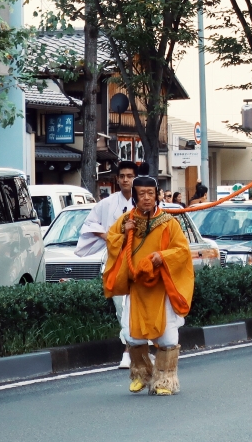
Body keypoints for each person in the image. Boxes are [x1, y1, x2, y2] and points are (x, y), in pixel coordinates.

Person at [103, 175, 195, 395]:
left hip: (160, 288)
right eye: (141, 194)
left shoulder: (169, 223)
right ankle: (141, 374)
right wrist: (125, 234)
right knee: (132, 335)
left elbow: (182, 252)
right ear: (135, 196)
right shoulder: (126, 221)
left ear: (157, 196)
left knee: (167, 336)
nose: (146, 198)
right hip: (137, 288)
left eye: (150, 194)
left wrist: (161, 257)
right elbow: (111, 241)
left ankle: (165, 380)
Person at [77, 160, 138, 369]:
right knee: (122, 308)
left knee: (139, 306)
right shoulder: (108, 203)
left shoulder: (146, 201)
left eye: (129, 176)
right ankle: (131, 348)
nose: (125, 180)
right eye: (122, 176)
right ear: (117, 179)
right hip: (116, 261)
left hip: (141, 263)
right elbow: (90, 224)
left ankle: (131, 351)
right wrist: (112, 237)